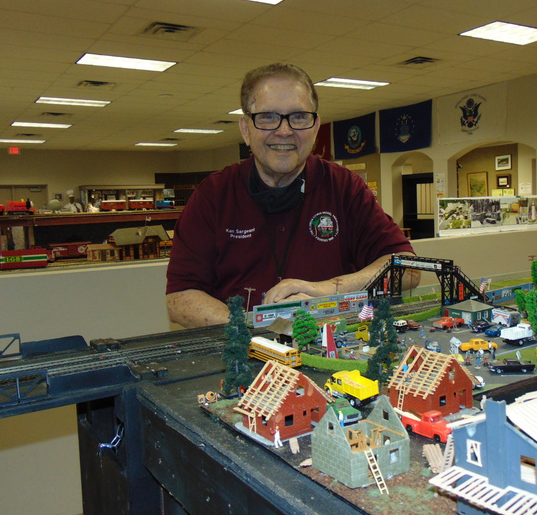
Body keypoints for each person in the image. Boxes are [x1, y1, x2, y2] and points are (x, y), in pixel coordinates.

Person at [166, 62, 417, 328]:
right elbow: (179, 298)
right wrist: (252, 329)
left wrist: (324, 291)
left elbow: (408, 268)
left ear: (315, 127)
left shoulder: (344, 187)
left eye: (298, 117)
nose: (284, 131)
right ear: (245, 129)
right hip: (241, 344)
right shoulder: (213, 195)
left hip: (328, 343)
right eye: (267, 117)